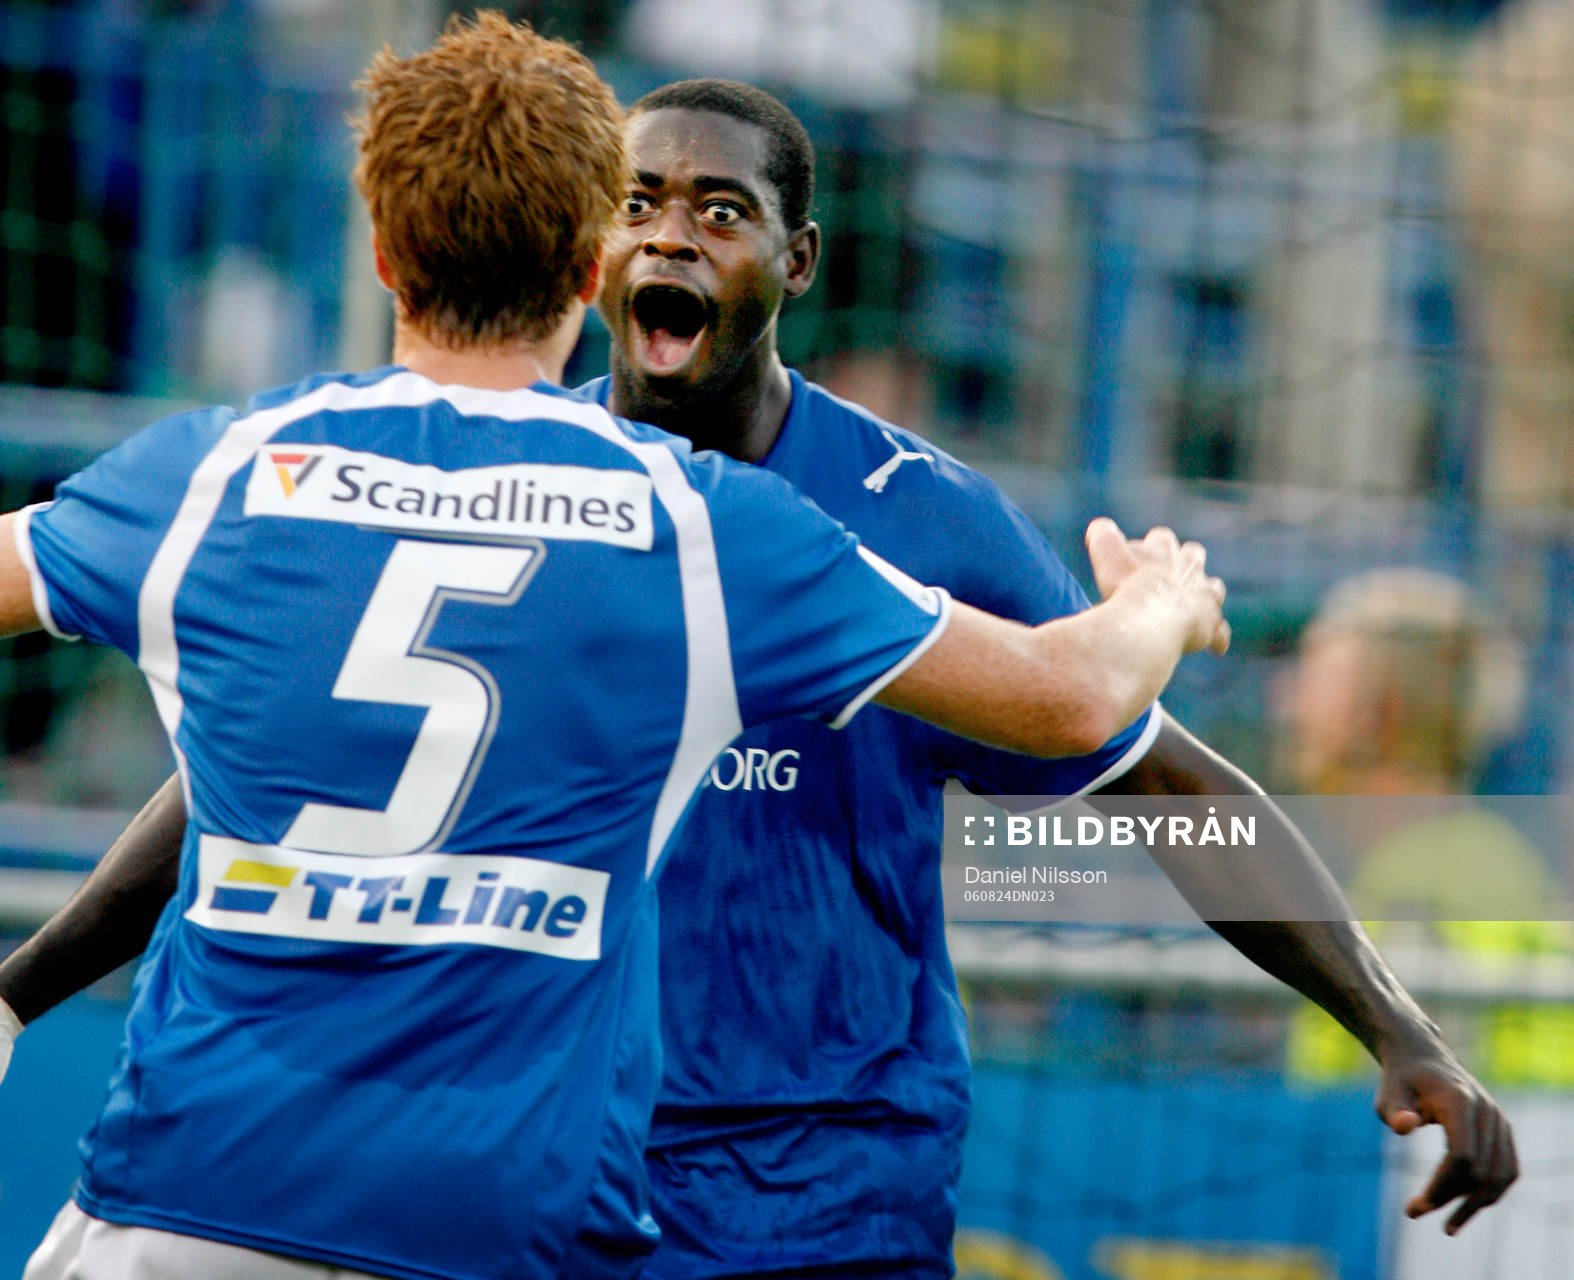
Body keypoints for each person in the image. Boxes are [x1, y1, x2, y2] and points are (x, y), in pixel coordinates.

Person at [0, 75, 1512, 1280]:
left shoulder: (915, 514)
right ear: (585, 248)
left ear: (793, 264)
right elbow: (259, 777)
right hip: (563, 1188)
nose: (667, 239)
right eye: (637, 203)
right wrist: (29, 986)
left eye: (717, 212)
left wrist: (1391, 1022)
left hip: (819, 1198)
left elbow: (1156, 778)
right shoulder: (536, 488)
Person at [1279, 568, 1574, 1089]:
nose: (1286, 702)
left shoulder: (1421, 886)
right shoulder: (1454, 863)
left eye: (1310, 675)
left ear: (1379, 712)